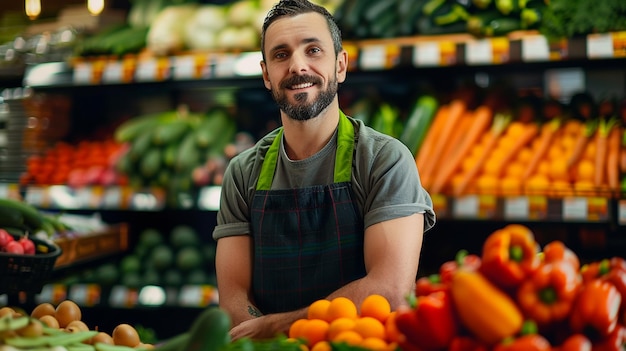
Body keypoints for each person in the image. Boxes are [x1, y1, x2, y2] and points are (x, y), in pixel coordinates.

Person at [212, 0, 436, 340]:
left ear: (341, 65)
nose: (298, 66)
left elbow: (389, 291)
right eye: (281, 54)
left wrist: (274, 326)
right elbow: (232, 301)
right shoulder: (243, 173)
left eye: (313, 50)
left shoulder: (384, 160)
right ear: (266, 75)